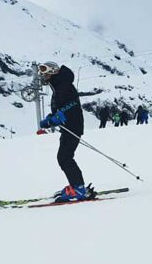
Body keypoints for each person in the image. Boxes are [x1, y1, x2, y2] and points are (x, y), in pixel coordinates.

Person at [36, 62, 95, 202]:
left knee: (64, 157)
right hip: (68, 126)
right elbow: (62, 107)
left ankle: (78, 188)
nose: (42, 75)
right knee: (64, 157)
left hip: (72, 126)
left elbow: (72, 104)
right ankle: (76, 186)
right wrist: (51, 118)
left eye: (45, 71)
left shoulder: (64, 85)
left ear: (53, 71)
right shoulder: (59, 85)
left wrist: (58, 117)